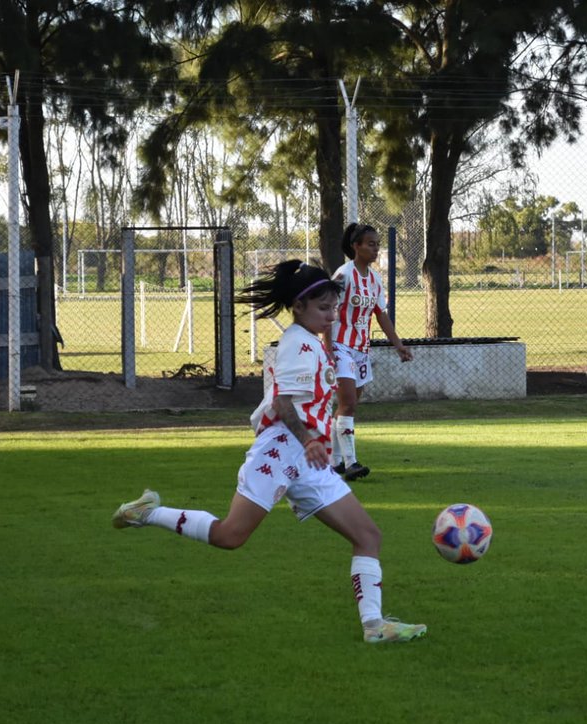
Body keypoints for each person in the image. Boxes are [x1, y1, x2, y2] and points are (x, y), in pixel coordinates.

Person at [111, 260, 426, 644]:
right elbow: (284, 403)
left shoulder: (312, 341)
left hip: (310, 459)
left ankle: (374, 626)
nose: (331, 316)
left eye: (333, 309)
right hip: (281, 450)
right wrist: (310, 439)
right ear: (299, 307)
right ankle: (147, 512)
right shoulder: (297, 342)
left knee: (367, 535)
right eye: (323, 309)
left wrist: (314, 444)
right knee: (230, 535)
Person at [325, 222, 413, 481]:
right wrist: (328, 349)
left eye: (377, 244)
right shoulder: (344, 275)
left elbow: (380, 314)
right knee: (348, 403)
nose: (376, 249)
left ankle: (335, 462)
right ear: (356, 246)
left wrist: (398, 344)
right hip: (340, 346)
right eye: (371, 244)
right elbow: (328, 311)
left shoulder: (374, 279)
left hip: (362, 349)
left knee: (347, 407)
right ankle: (351, 463)